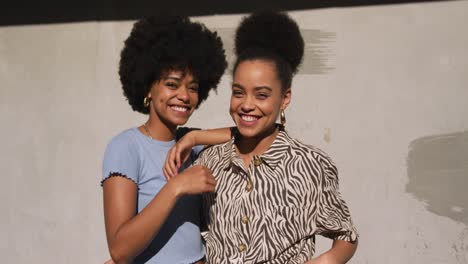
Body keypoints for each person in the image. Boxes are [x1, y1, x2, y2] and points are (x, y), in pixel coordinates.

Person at [165, 12, 358, 263]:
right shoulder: (210, 161)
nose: (247, 105)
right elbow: (190, 237)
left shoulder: (310, 165)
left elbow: (345, 234)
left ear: (284, 98)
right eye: (238, 92)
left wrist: (324, 261)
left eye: (262, 95)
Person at [101, 15, 227, 264]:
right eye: (172, 84)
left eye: (192, 87)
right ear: (148, 88)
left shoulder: (190, 143)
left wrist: (194, 137)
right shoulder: (126, 147)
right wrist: (176, 187)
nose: (184, 96)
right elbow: (119, 250)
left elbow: (262, 131)